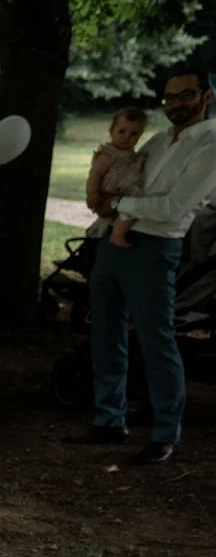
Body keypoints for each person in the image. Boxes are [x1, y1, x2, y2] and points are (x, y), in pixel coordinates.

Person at [67, 68, 216, 465]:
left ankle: (166, 433)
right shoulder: (156, 139)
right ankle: (109, 419)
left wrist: (116, 205)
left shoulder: (210, 143)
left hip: (156, 247)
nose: (175, 104)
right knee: (106, 331)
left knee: (156, 339)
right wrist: (100, 182)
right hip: (113, 240)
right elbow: (119, 171)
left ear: (206, 96)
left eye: (185, 95)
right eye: (168, 98)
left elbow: (173, 208)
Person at [85, 108, 151, 241]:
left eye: (133, 134)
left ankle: (115, 233)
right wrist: (92, 194)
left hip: (127, 194)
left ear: (140, 135)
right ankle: (115, 235)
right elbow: (95, 175)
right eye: (122, 131)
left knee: (132, 211)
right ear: (111, 131)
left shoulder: (134, 157)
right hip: (109, 192)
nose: (126, 137)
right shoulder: (107, 155)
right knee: (114, 215)